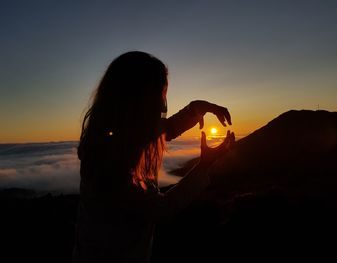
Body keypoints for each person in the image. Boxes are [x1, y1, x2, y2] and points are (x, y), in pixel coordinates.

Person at [72, 51, 235, 263]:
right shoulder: (109, 163)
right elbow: (162, 209)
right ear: (139, 100)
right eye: (160, 95)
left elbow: (164, 130)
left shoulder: (117, 135)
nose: (162, 104)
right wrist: (204, 166)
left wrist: (196, 109)